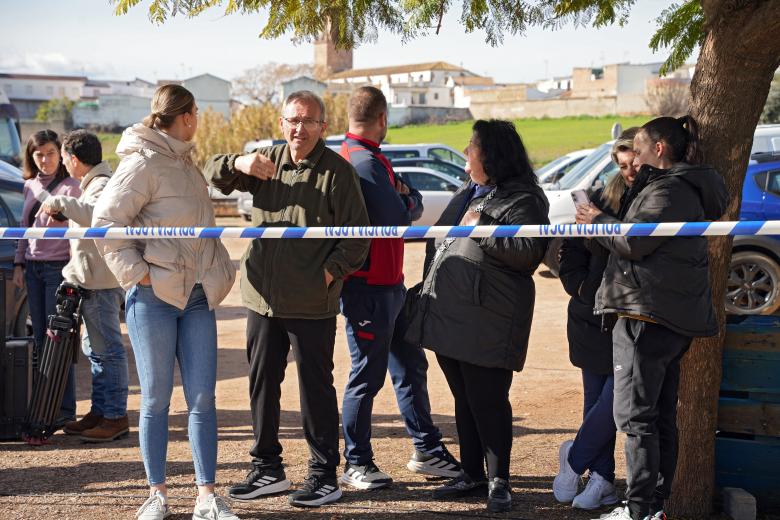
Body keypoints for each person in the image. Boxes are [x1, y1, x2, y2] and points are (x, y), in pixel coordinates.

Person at [204, 90, 370, 508]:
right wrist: (239, 163)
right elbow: (211, 173)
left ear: (323, 127)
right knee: (262, 384)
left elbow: (357, 238)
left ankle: (323, 474)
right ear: (282, 124)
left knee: (315, 388)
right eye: (292, 121)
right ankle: (267, 469)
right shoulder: (266, 160)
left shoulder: (337, 173)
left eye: (308, 121)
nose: (299, 129)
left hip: (311, 302)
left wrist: (326, 275)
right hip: (262, 298)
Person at [92, 85, 239, 520]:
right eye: (197, 112)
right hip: (152, 299)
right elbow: (105, 224)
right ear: (188, 115)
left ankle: (207, 497)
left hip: (197, 297)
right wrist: (138, 275)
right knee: (155, 399)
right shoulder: (142, 162)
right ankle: (156, 495)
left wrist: (215, 272)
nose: (199, 119)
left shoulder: (186, 162)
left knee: (202, 398)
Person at [575, 116, 729, 520]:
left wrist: (597, 222)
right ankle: (652, 507)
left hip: (648, 315)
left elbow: (633, 240)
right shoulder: (679, 187)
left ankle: (640, 508)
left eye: (639, 152)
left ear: (658, 149)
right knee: (656, 414)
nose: (635, 163)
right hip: (658, 313)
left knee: (637, 417)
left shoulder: (670, 189)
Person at [405, 120, 549, 513]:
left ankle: (499, 479)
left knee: (488, 400)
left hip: (489, 319)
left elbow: (526, 254)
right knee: (464, 399)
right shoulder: (471, 193)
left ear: (493, 154)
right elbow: (440, 233)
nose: (466, 153)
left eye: (473, 147)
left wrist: (483, 226)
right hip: (450, 314)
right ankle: (472, 474)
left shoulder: (526, 199)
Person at [337, 86, 462, 490]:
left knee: (410, 367)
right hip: (368, 285)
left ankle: (427, 449)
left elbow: (409, 202)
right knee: (367, 377)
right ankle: (356, 461)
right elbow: (401, 214)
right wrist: (406, 200)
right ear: (383, 119)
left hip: (388, 283)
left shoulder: (367, 157)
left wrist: (406, 199)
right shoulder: (362, 160)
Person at [553, 128, 639, 509]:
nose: (629, 170)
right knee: (595, 402)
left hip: (630, 318)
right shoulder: (603, 196)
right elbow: (569, 250)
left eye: (634, 162)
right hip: (591, 318)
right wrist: (585, 289)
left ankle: (575, 458)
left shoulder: (652, 201)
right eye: (622, 164)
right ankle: (602, 478)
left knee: (614, 402)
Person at [38, 130, 129, 443]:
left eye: (63, 157)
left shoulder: (102, 185)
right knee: (95, 351)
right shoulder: (94, 184)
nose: (63, 163)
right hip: (92, 282)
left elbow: (97, 217)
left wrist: (61, 202)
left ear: (74, 160)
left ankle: (115, 416)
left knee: (108, 353)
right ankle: (101, 412)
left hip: (101, 285)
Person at [14, 129, 81, 427]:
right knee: (40, 341)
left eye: (51, 153)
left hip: (59, 269)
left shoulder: (71, 186)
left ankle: (64, 411)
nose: (45, 159)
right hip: (32, 268)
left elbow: (79, 228)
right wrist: (19, 263)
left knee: (60, 341)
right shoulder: (28, 185)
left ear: (61, 154)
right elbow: (22, 227)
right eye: (38, 154)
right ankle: (43, 408)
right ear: (31, 156)